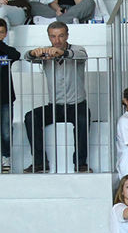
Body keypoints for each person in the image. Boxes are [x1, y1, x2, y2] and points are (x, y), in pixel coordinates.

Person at [23, 21, 89, 173]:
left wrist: (62, 53)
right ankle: (40, 163)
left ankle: (80, 164)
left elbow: (81, 56)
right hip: (55, 106)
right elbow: (27, 57)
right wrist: (34, 53)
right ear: (49, 37)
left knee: (83, 119)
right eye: (53, 36)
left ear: (67, 36)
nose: (57, 40)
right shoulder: (46, 52)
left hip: (77, 104)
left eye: (61, 36)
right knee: (30, 117)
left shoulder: (77, 49)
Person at [0, 18, 19, 174]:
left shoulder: (7, 51)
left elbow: (16, 54)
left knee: (6, 131)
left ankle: (6, 158)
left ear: (5, 34)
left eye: (0, 32)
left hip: (6, 98)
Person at [29, 0, 95, 24]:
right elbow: (52, 2)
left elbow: (80, 3)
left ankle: (56, 21)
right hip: (57, 12)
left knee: (90, 2)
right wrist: (59, 9)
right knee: (32, 5)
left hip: (75, 12)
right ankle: (65, 20)